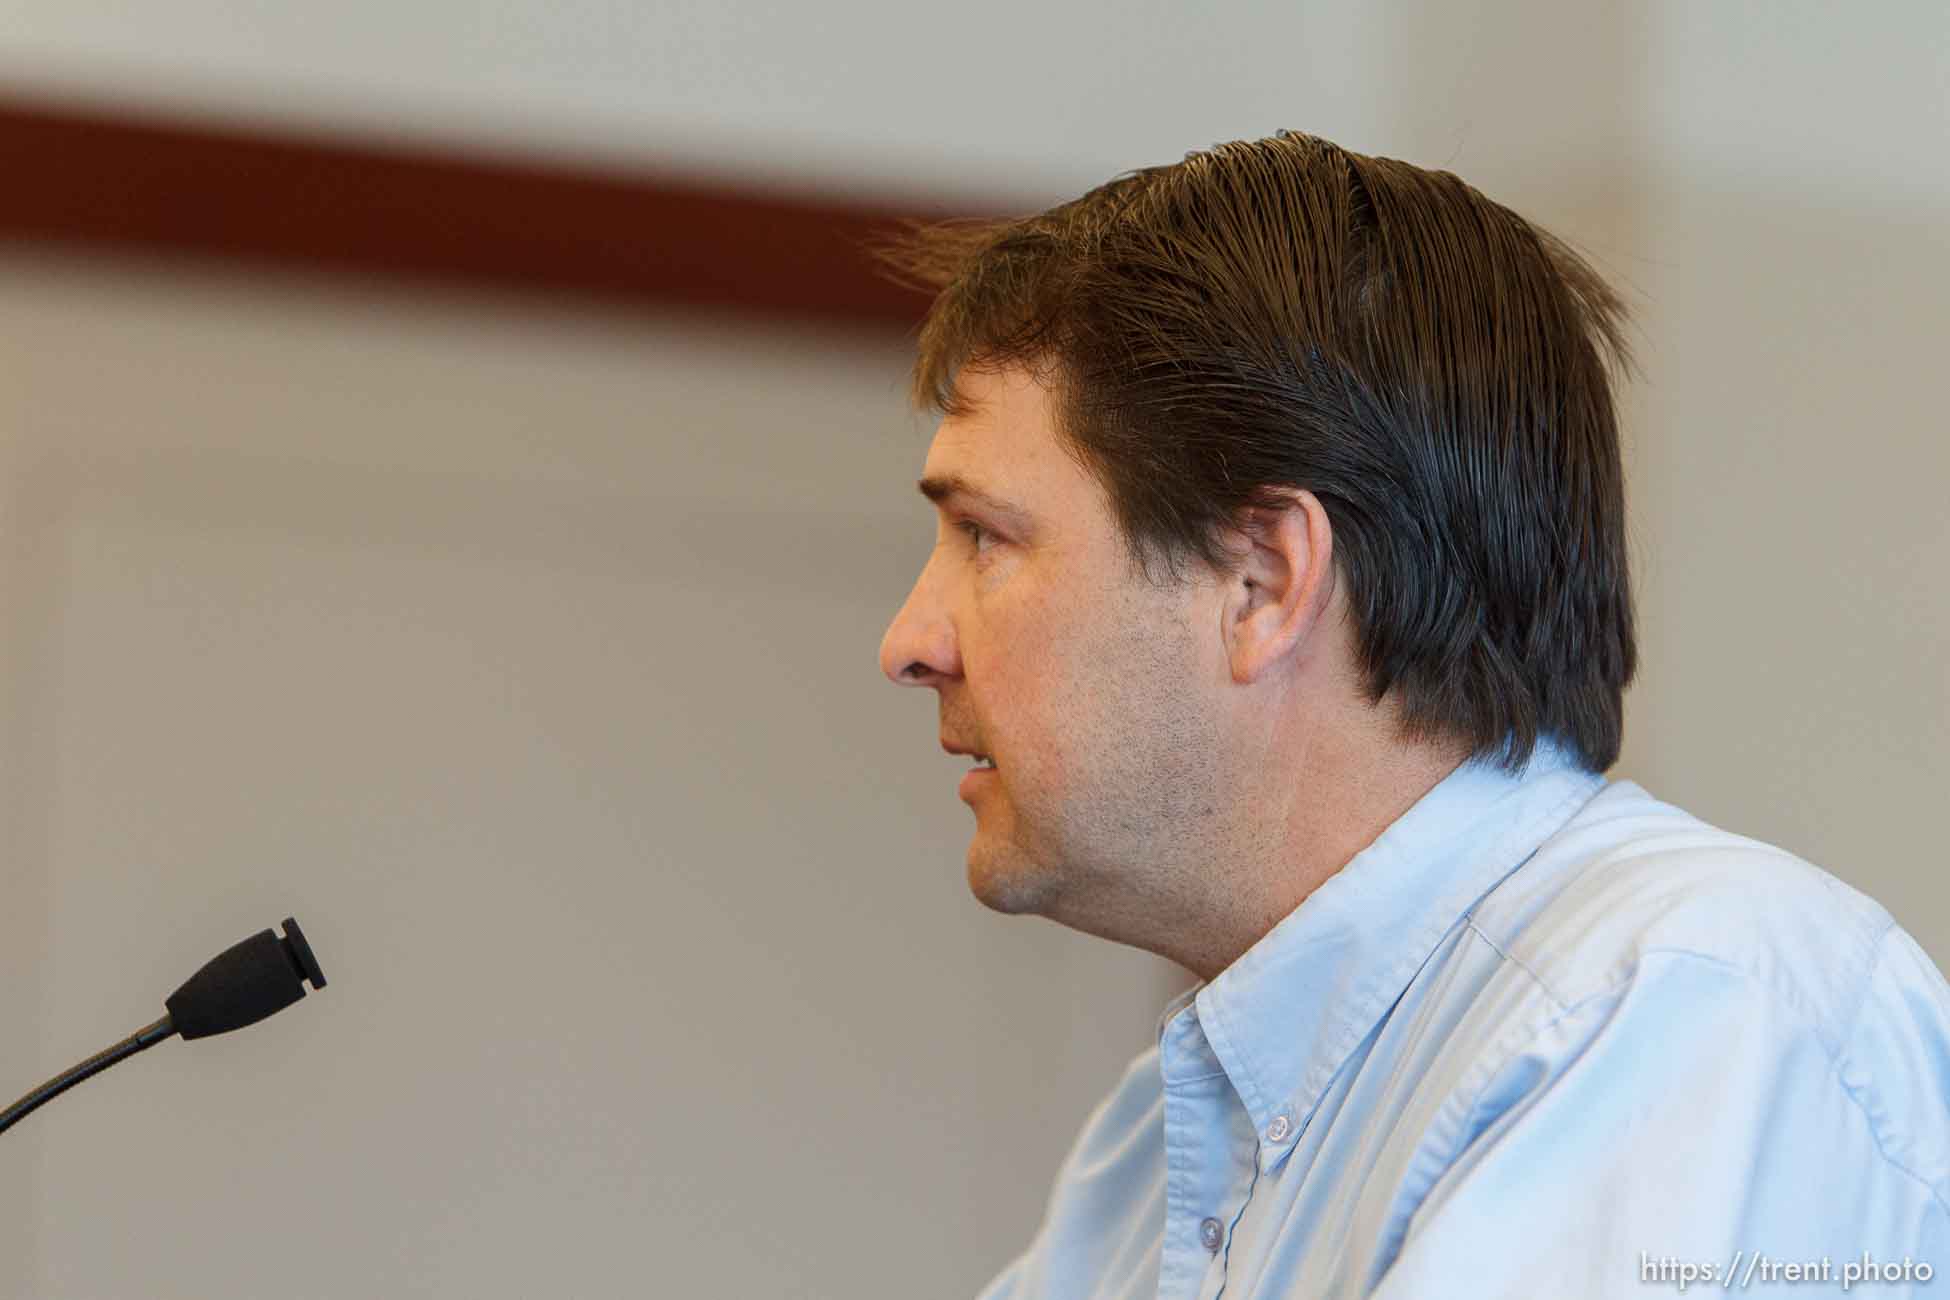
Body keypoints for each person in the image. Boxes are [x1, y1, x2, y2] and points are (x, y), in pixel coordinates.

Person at [873, 131, 1950, 1298]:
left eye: (986, 535)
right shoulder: (1151, 1155)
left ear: (1264, 583)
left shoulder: (1681, 1009)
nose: (911, 643)